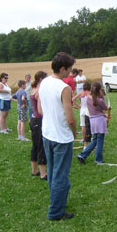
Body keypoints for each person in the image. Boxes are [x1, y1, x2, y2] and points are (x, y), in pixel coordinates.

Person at [38, 52, 77, 221]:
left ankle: (57, 201)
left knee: (53, 172)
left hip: (47, 134)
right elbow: (70, 117)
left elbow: (40, 110)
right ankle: (55, 212)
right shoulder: (64, 88)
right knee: (61, 176)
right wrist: (74, 133)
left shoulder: (44, 82)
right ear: (62, 69)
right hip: (61, 138)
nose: (70, 72)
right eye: (69, 69)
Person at [77, 82, 108, 165]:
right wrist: (102, 97)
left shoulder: (89, 99)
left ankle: (82, 155)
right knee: (100, 140)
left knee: (95, 140)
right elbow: (105, 108)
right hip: (100, 121)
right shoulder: (100, 100)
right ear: (99, 90)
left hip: (92, 121)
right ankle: (98, 159)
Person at [30, 71, 48, 180]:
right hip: (39, 121)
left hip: (33, 120)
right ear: (41, 79)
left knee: (35, 146)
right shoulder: (39, 92)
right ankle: (43, 174)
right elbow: (41, 110)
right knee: (41, 146)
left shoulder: (33, 89)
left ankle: (34, 171)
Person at [72, 82, 92, 146]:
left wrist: (78, 105)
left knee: (83, 125)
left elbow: (73, 99)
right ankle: (88, 139)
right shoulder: (90, 93)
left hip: (82, 110)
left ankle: (83, 138)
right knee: (88, 126)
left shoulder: (81, 93)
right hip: (88, 110)